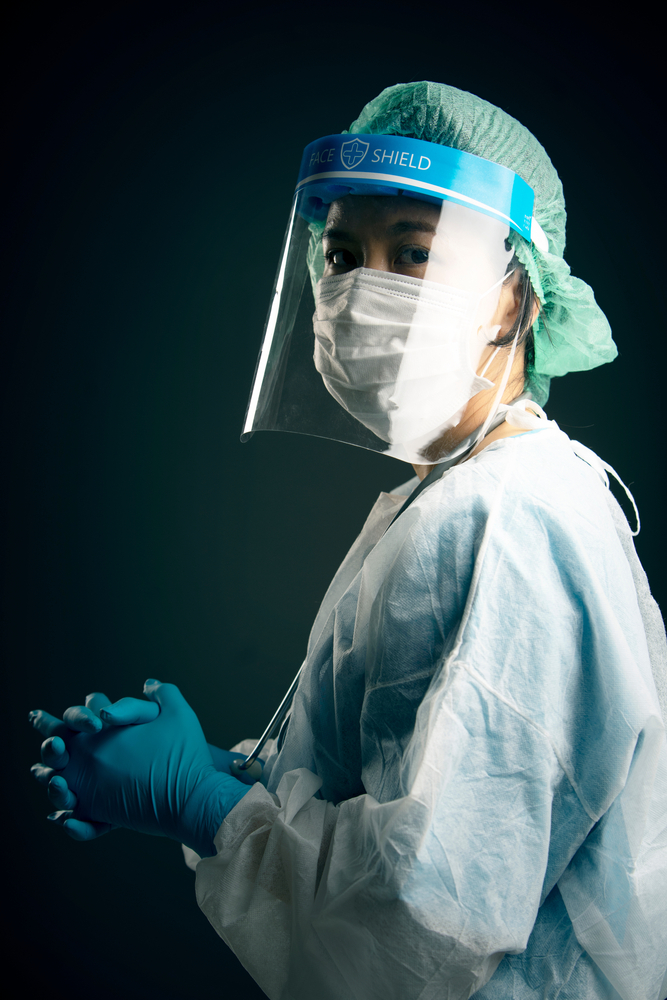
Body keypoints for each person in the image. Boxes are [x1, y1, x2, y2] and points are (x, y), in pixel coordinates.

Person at [28, 81, 667, 1000]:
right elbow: (406, 789)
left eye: (415, 253)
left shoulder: (507, 518)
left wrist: (206, 807)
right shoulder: (457, 491)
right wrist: (222, 774)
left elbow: (427, 917)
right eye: (341, 254)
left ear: (517, 296)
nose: (365, 290)